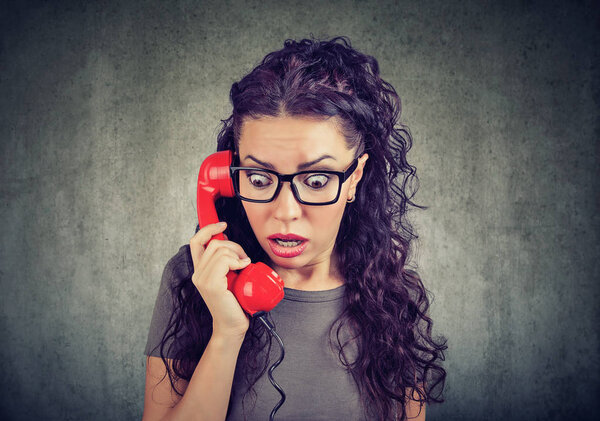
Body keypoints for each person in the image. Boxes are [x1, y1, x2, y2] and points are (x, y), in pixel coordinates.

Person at [142, 36, 446, 421]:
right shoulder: (194, 278)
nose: (285, 212)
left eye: (317, 180)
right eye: (258, 178)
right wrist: (227, 332)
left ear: (355, 178)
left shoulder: (395, 299)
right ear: (228, 177)